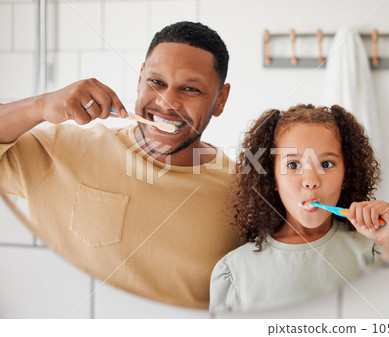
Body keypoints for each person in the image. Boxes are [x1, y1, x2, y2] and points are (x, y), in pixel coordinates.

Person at [0, 21, 242, 310]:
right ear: (140, 77)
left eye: (190, 89)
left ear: (220, 100)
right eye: (157, 82)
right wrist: (38, 107)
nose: (167, 103)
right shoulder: (59, 150)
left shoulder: (245, 191)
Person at [209, 104, 389, 313]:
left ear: (346, 174)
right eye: (293, 165)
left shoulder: (376, 251)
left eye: (326, 164)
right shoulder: (235, 273)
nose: (311, 181)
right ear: (271, 177)